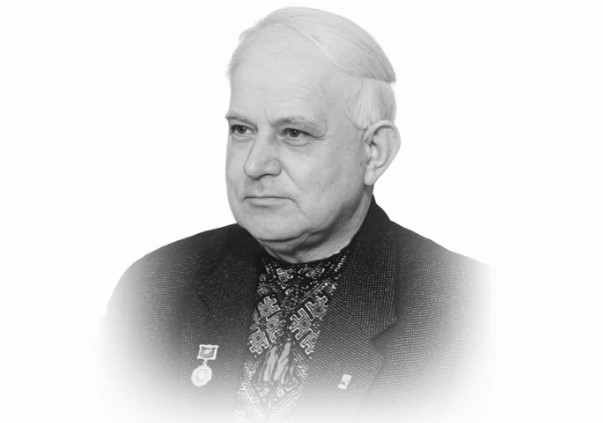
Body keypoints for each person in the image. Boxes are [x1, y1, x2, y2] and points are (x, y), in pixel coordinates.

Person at [102, 7, 489, 423]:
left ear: (373, 153)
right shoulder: (155, 288)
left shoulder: (471, 312)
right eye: (242, 130)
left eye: (294, 133)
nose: (255, 164)